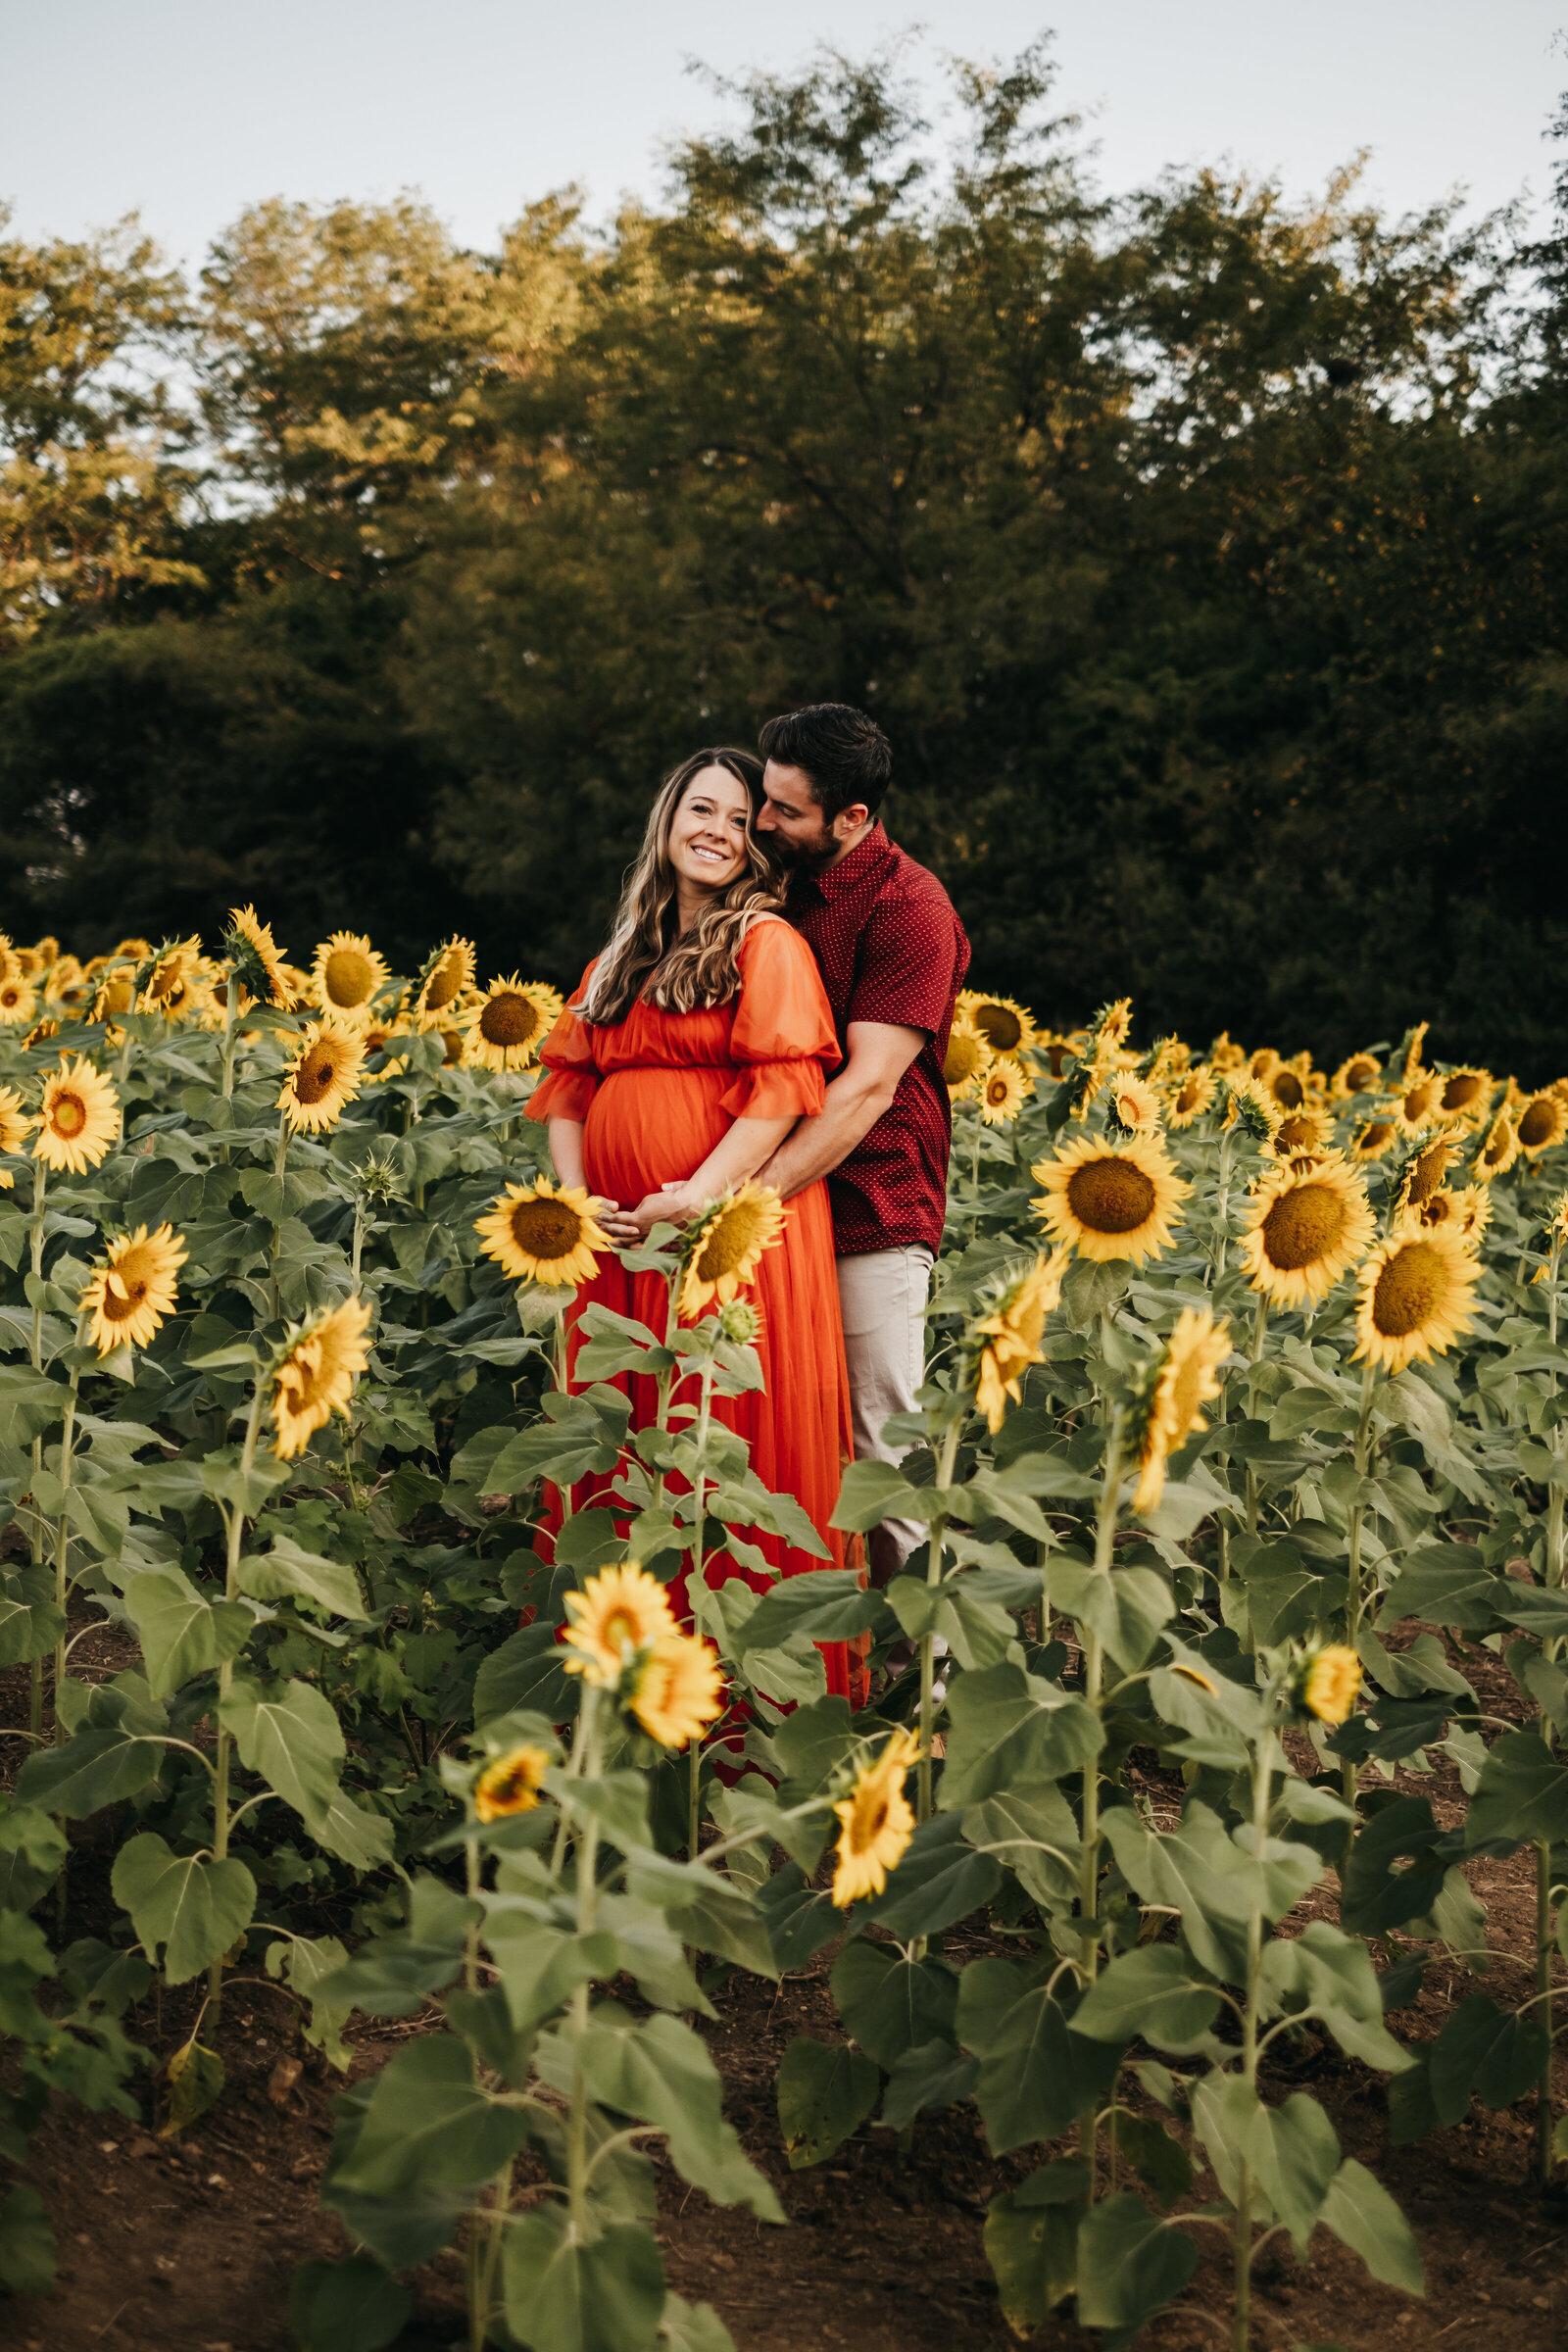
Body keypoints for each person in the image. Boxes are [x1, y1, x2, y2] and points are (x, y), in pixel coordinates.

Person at [526, 748, 860, 1696]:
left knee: (725, 1444)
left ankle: (737, 1704)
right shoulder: (620, 955)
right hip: (621, 1239)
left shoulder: (767, 945)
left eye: (734, 814)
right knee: (621, 1438)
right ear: (666, 822)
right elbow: (566, 1087)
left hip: (724, 1238)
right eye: (697, 809)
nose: (714, 828)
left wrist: (699, 1196)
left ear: (756, 837)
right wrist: (576, 1198)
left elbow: (782, 1090)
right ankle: (614, 1681)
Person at [752, 704, 971, 1591]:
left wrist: (744, 1199)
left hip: (867, 1205)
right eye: (766, 800)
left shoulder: (909, 907)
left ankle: (921, 1673)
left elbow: (868, 1089)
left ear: (853, 818)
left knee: (880, 1434)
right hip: (771, 1185)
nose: (763, 821)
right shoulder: (772, 880)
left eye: (786, 811)